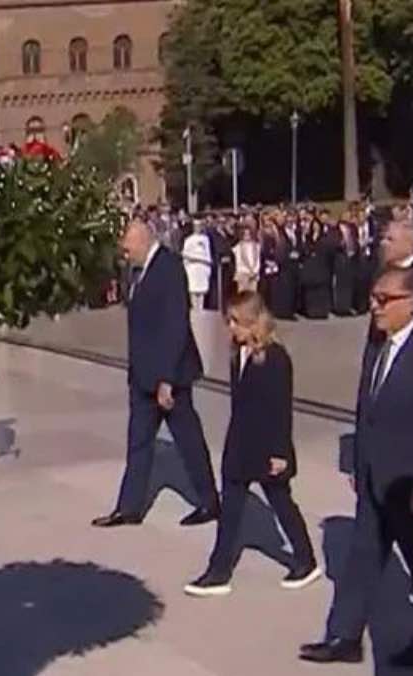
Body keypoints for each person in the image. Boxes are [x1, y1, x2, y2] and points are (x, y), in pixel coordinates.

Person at [300, 266, 413, 665]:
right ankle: (344, 636)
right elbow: (367, 412)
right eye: (373, 298)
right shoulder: (379, 345)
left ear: (411, 304)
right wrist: (357, 464)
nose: (374, 307)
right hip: (374, 478)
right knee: (361, 559)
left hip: (411, 487)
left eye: (384, 300)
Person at [184, 291, 320, 596]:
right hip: (240, 444)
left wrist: (280, 452)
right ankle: (218, 571)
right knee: (230, 510)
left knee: (282, 503)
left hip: (266, 446)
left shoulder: (276, 358)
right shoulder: (239, 354)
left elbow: (280, 408)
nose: (231, 328)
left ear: (253, 323)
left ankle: (305, 559)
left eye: (236, 322)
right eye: (229, 321)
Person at [92, 218, 219, 529]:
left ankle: (210, 501)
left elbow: (175, 326)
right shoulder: (138, 272)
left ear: (143, 240)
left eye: (127, 246)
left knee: (189, 442)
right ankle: (129, 508)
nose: (125, 252)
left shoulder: (169, 267)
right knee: (138, 443)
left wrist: (166, 379)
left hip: (169, 377)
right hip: (142, 376)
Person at [181, 218, 213, 309]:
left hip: (202, 269)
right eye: (196, 226)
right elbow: (185, 254)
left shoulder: (206, 239)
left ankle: (201, 310)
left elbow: (208, 254)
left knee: (202, 292)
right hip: (193, 269)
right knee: (193, 292)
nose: (198, 228)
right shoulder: (188, 240)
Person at [232, 218, 261, 294]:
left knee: (252, 297)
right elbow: (238, 262)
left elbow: (258, 261)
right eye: (245, 234)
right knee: (243, 297)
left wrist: (254, 271)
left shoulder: (257, 246)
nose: (247, 236)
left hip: (254, 275)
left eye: (248, 234)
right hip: (243, 274)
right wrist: (248, 272)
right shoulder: (237, 247)